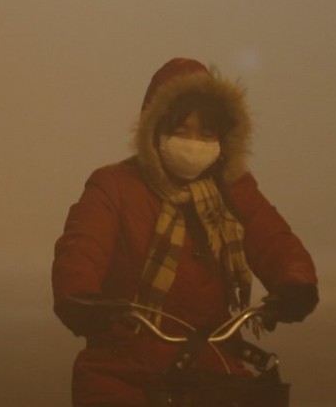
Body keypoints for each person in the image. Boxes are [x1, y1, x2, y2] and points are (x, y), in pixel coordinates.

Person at [52, 57, 318, 407]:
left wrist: (294, 283)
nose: (194, 144)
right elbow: (83, 246)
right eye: (181, 131)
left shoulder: (233, 188)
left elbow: (270, 235)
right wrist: (82, 298)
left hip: (210, 362)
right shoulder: (114, 185)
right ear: (154, 132)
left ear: (224, 139)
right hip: (124, 364)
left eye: (207, 134)